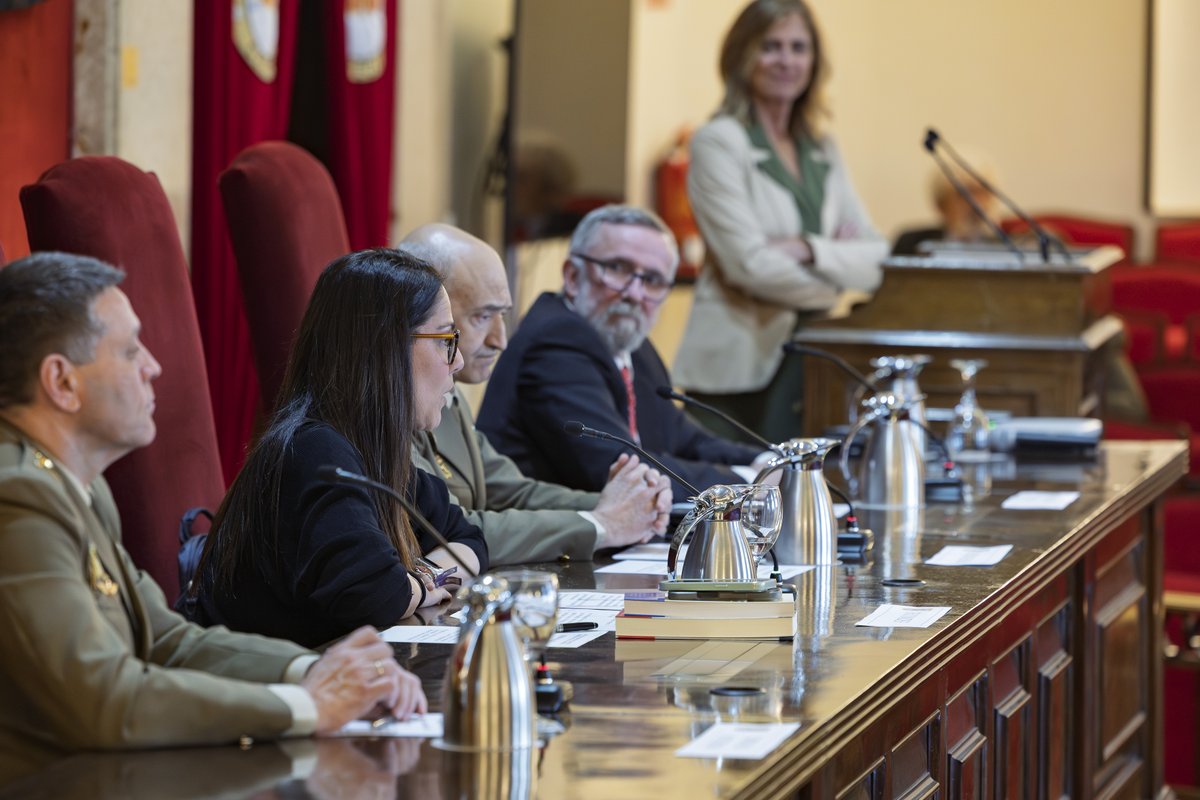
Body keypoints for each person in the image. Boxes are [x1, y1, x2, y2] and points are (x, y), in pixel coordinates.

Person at [0, 252, 424, 783]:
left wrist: (314, 670)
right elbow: (105, 699)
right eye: (130, 350)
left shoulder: (74, 486)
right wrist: (306, 707)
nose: (153, 366)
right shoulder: (19, 496)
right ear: (61, 382)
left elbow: (167, 641)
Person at [191, 249, 488, 648]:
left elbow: (469, 539)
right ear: (386, 349)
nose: (459, 361)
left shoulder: (371, 451)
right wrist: (419, 582)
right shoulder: (314, 451)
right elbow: (375, 598)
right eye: (446, 340)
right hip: (259, 697)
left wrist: (422, 577)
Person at [672, 0, 889, 444]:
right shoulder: (719, 141)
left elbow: (878, 257)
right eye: (770, 46)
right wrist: (837, 277)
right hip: (736, 372)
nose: (786, 60)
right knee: (733, 501)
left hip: (807, 362)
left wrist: (808, 248)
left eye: (798, 47)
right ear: (742, 55)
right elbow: (747, 266)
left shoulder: (821, 147)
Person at [398, 224, 671, 565]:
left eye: (502, 315)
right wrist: (602, 524)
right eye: (482, 316)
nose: (501, 340)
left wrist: (628, 506)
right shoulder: (389, 406)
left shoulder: (449, 395)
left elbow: (511, 492)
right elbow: (454, 528)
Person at [476, 205, 766, 499]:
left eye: (652, 280)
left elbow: (684, 437)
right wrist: (750, 482)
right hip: (553, 539)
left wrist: (766, 461)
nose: (634, 294)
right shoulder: (555, 343)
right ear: (573, 276)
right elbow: (619, 470)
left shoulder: (630, 344)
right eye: (617, 268)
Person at [892, 150, 1002, 256]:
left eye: (982, 193)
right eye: (963, 194)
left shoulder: (1005, 247)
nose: (975, 204)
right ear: (941, 204)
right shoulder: (911, 244)